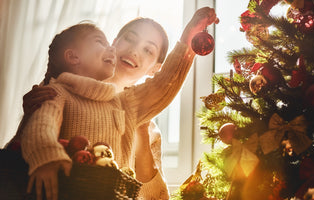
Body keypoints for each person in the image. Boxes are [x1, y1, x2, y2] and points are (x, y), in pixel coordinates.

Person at [17, 7, 219, 200]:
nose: (133, 51)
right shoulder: (56, 91)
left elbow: (156, 197)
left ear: (155, 69)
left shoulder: (135, 111)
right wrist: (30, 123)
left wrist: (189, 38)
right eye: (129, 39)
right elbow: (25, 152)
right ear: (112, 44)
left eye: (148, 50)